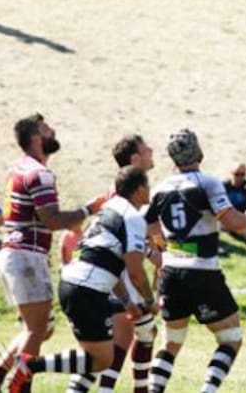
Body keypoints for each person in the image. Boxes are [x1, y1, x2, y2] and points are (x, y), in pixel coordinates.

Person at [0, 114, 106, 392]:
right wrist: (89, 209)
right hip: (26, 255)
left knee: (40, 328)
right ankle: (19, 387)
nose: (53, 131)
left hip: (15, 253)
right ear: (36, 138)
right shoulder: (40, 173)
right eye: (47, 129)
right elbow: (52, 220)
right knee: (37, 328)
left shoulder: (18, 169)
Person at [8, 167, 157, 393]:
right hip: (87, 290)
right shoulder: (133, 217)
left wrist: (127, 301)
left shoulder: (108, 210)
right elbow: (135, 270)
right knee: (101, 359)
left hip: (72, 283)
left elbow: (107, 262)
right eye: (147, 185)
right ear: (139, 189)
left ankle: (30, 366)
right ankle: (30, 365)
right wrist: (149, 300)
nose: (149, 190)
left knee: (95, 356)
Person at [143, 129, 246, 393]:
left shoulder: (160, 189)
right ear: (198, 151)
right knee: (231, 338)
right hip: (202, 271)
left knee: (171, 342)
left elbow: (149, 228)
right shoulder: (208, 183)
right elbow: (232, 222)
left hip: (171, 272)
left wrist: (163, 253)